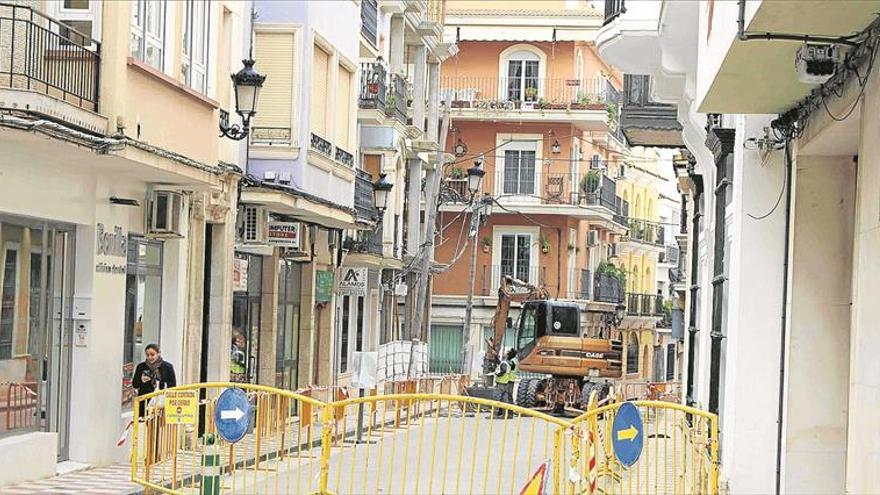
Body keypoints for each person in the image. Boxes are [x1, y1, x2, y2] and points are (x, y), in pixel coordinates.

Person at [132, 343, 176, 417]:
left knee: (160, 425)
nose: (150, 357)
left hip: (161, 402)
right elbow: (135, 384)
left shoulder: (167, 367)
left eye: (152, 354)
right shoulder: (141, 367)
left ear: (158, 353)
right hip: (145, 401)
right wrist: (141, 380)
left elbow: (172, 386)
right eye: (147, 355)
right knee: (145, 425)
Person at [494, 348, 518, 416]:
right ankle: (505, 412)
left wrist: (498, 373)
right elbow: (501, 363)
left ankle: (507, 412)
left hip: (508, 380)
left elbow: (503, 367)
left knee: (506, 397)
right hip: (508, 380)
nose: (504, 353)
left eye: (506, 352)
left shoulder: (511, 361)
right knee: (505, 397)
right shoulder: (511, 361)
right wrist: (496, 356)